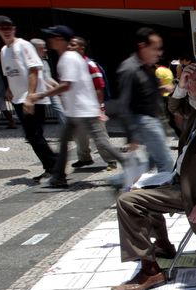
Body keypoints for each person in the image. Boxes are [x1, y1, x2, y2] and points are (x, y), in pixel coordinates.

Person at [112, 60, 196, 290]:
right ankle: (162, 244)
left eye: (190, 83)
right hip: (183, 179)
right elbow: (175, 107)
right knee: (136, 191)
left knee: (127, 202)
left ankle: (151, 271)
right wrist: (181, 86)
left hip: (195, 192)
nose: (186, 87)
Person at [26, 26, 127, 188]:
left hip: (82, 109)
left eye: (52, 37)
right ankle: (59, 176)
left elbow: (67, 85)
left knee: (100, 141)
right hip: (79, 109)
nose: (49, 40)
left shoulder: (68, 58)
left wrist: (40, 95)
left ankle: (129, 164)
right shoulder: (71, 57)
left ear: (60, 39)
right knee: (66, 141)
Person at [0, 15, 57, 181]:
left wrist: (30, 97)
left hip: (31, 98)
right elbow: (9, 73)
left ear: (14, 29)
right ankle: (52, 165)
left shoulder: (24, 45)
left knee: (34, 135)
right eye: (2, 28)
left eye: (8, 27)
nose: (6, 30)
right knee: (33, 135)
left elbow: (34, 70)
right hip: (17, 99)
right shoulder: (3, 51)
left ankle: (54, 166)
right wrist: (9, 89)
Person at [112, 27, 174, 175]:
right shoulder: (129, 69)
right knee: (166, 163)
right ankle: (166, 195)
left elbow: (145, 92)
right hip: (144, 121)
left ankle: (118, 181)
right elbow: (124, 104)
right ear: (142, 46)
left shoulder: (147, 67)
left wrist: (163, 89)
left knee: (151, 162)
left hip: (153, 119)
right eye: (155, 48)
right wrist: (131, 135)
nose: (159, 53)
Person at [67, 36, 118, 171]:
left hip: (93, 108)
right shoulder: (72, 64)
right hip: (79, 109)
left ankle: (111, 160)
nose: (69, 47)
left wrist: (99, 108)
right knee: (79, 136)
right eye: (69, 45)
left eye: (73, 45)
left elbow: (99, 87)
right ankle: (84, 158)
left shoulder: (89, 65)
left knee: (100, 137)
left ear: (82, 48)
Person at [30, 38, 67, 126]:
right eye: (42, 48)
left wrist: (57, 86)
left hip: (47, 90)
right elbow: (38, 78)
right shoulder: (32, 63)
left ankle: (68, 130)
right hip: (39, 91)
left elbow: (47, 77)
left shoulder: (44, 62)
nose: (45, 50)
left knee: (59, 108)